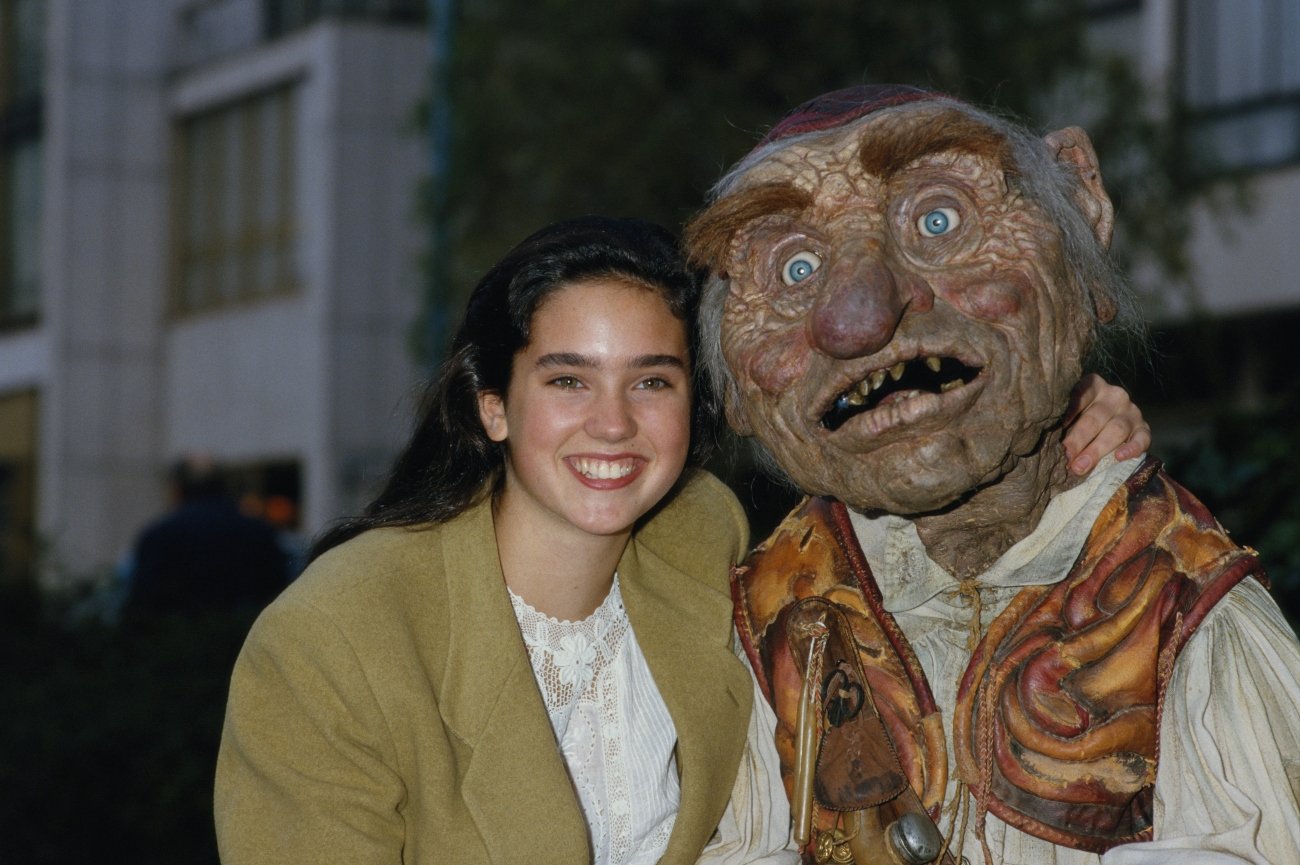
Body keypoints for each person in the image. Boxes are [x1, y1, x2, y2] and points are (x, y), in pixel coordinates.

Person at [214, 216, 1147, 864]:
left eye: (651, 382)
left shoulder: (704, 539)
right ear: (492, 405)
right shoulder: (335, 638)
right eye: (569, 382)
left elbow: (911, 544)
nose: (613, 425)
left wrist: (1047, 435)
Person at [683, 85, 1300, 864]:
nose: (859, 316)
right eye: (796, 269)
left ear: (1081, 209)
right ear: (733, 389)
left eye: (938, 220)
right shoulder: (758, 621)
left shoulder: (1183, 604)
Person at [124, 455, 289, 617]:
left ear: (177, 489)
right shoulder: (259, 531)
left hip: (177, 638)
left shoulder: (160, 536)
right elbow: (277, 593)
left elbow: (142, 606)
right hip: (243, 637)